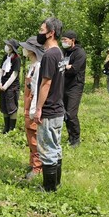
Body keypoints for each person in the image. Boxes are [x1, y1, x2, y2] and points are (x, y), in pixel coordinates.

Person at [34, 17, 65, 192]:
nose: (39, 33)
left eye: (42, 30)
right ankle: (56, 184)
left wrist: (39, 108)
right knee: (56, 147)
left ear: (51, 33)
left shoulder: (49, 55)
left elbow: (46, 83)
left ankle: (49, 188)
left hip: (50, 109)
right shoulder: (59, 53)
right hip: (58, 109)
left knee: (47, 149)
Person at [20, 36, 44, 180]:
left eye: (26, 47)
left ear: (32, 50)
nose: (24, 50)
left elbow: (37, 90)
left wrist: (34, 110)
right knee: (29, 134)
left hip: (33, 104)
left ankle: (38, 167)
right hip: (28, 105)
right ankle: (32, 163)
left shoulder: (39, 66)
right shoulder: (32, 66)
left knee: (35, 136)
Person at [61, 30, 86, 148]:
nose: (63, 42)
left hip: (75, 86)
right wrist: (66, 66)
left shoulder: (80, 53)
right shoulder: (64, 51)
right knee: (65, 112)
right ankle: (70, 136)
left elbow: (74, 70)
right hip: (64, 84)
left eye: (65, 40)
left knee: (71, 113)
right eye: (62, 40)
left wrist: (66, 67)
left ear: (73, 40)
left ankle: (76, 138)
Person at [0, 39, 20, 133]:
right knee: (4, 106)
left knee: (12, 106)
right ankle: (6, 127)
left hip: (12, 86)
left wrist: (6, 86)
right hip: (3, 84)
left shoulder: (16, 58)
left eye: (8, 45)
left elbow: (14, 74)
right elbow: (1, 70)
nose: (6, 47)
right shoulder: (5, 57)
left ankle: (12, 128)